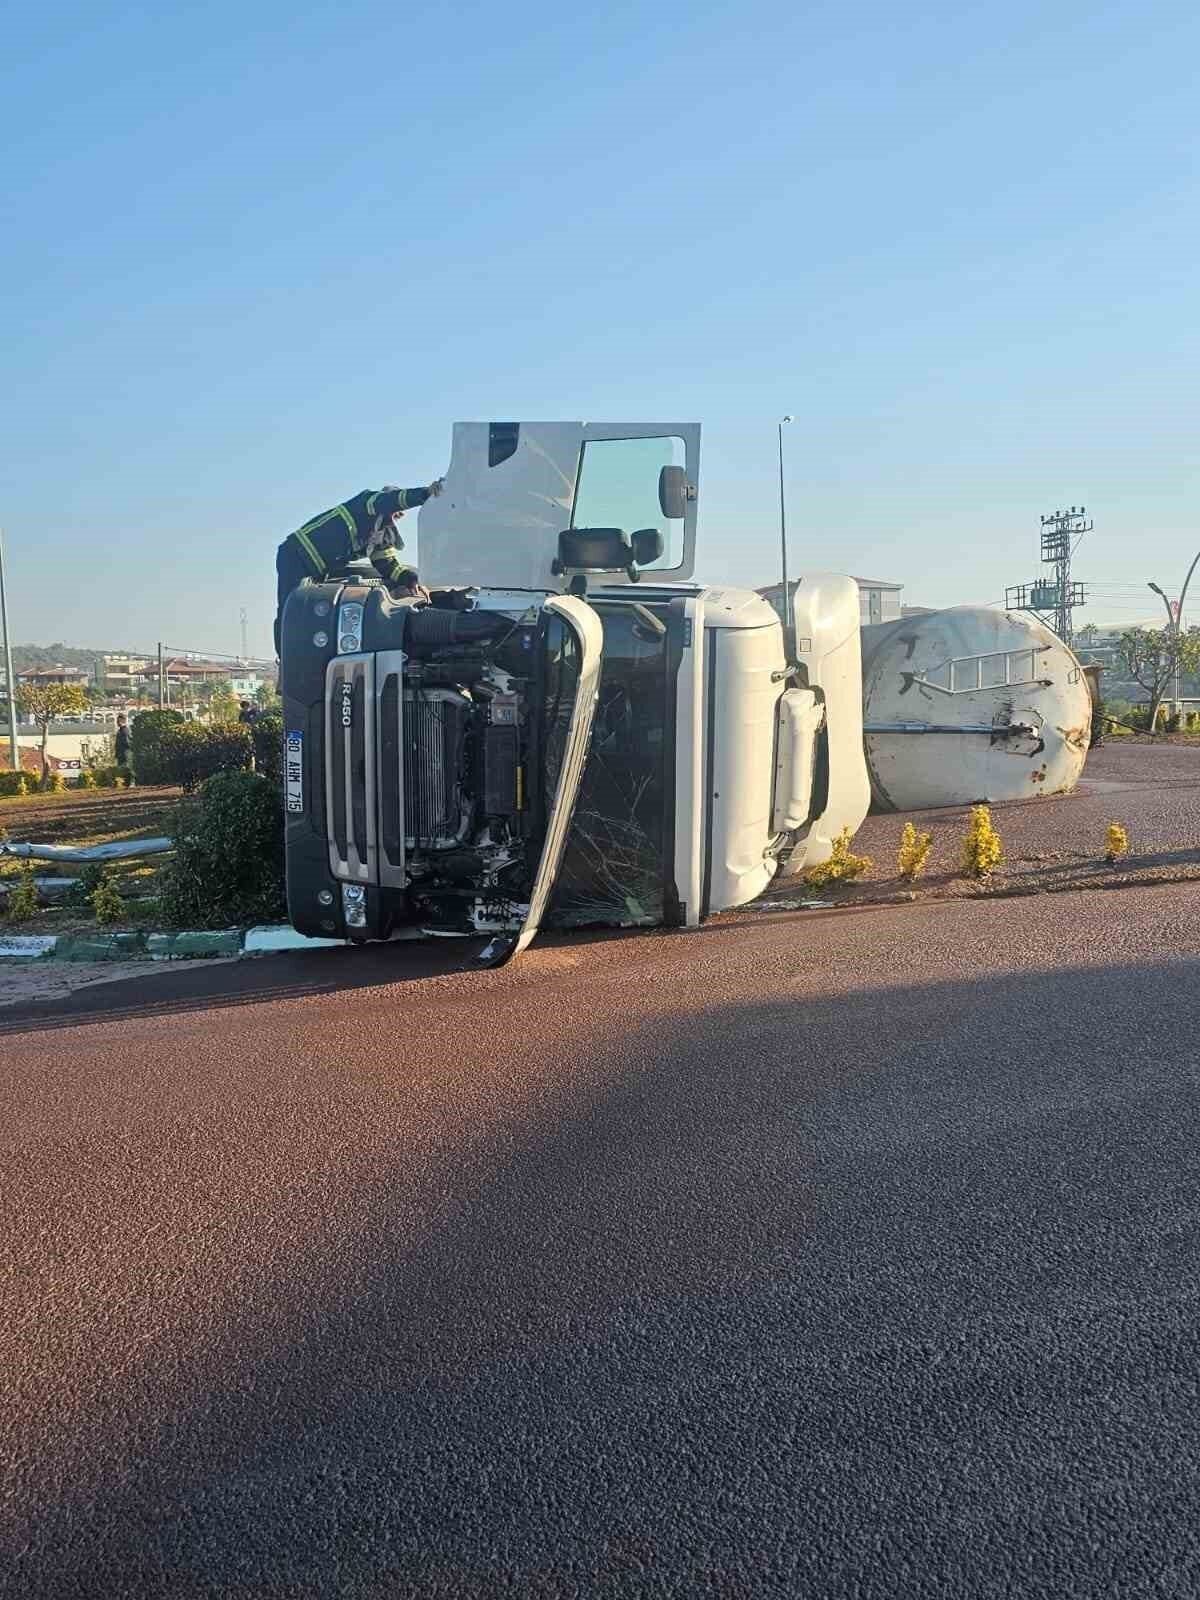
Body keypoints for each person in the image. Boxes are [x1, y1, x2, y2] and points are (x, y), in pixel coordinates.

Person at [274, 482, 444, 653]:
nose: (399, 515)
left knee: (306, 612)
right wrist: (425, 493)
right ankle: (285, 655)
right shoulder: (367, 503)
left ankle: (301, 652)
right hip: (295, 554)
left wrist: (411, 579)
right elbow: (391, 500)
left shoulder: (381, 534)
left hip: (317, 569)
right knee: (291, 609)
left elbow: (388, 565)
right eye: (397, 510)